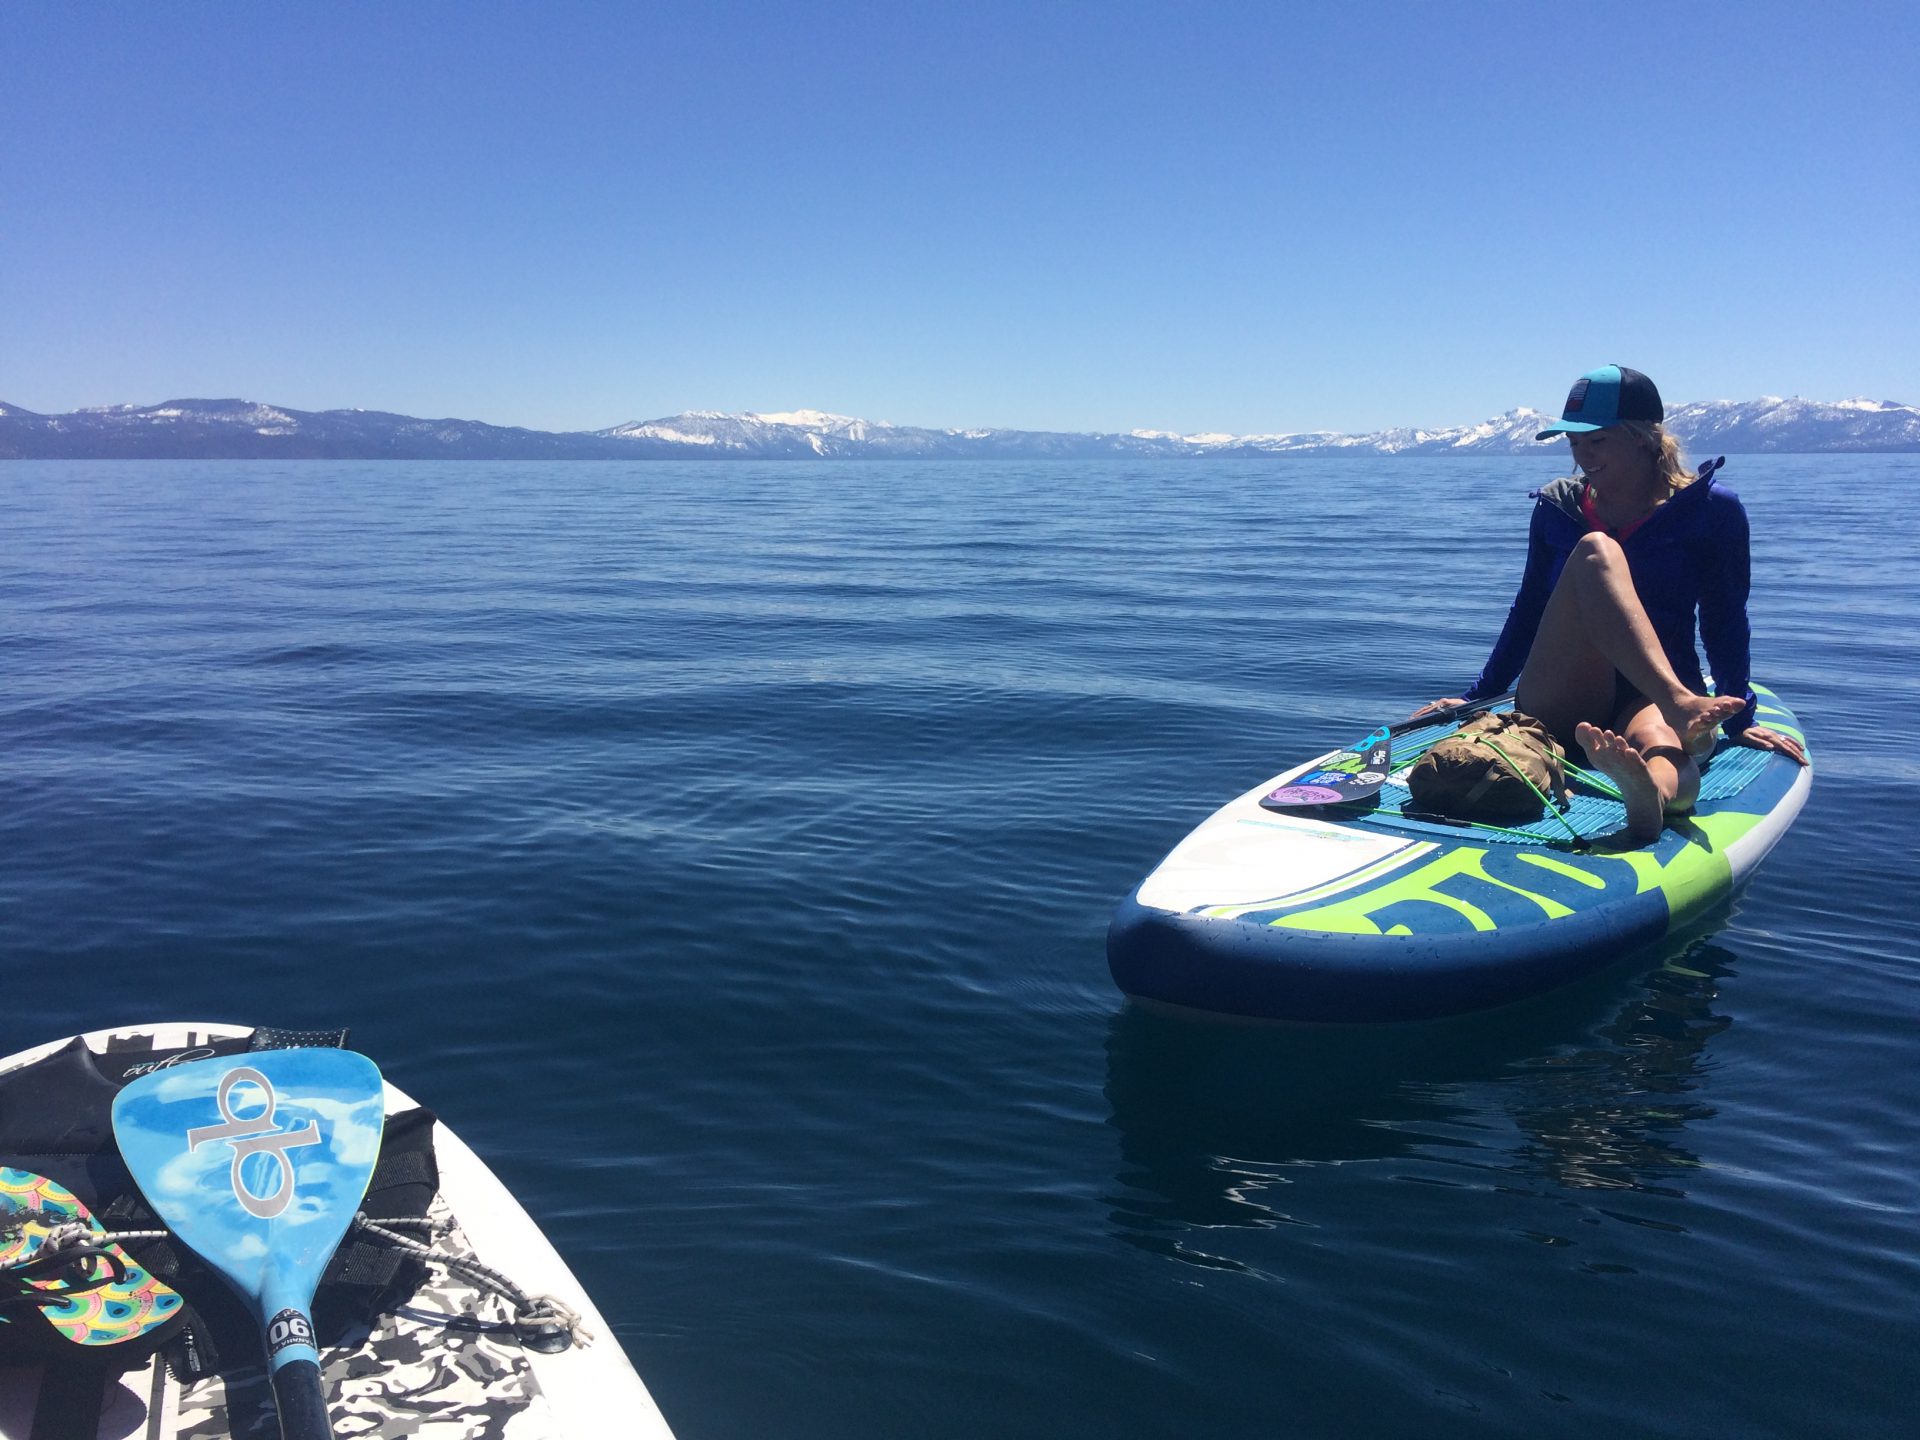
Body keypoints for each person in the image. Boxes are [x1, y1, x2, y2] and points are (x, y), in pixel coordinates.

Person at [1414, 364, 1807, 843]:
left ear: (1642, 437)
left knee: (1662, 746)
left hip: (1651, 694)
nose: (1581, 455)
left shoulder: (1711, 512)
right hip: (1564, 692)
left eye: (1596, 441)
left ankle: (1654, 796)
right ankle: (1680, 710)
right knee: (1597, 551)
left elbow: (1725, 617)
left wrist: (1741, 714)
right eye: (1573, 442)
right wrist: (1479, 694)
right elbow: (1529, 609)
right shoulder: (1559, 510)